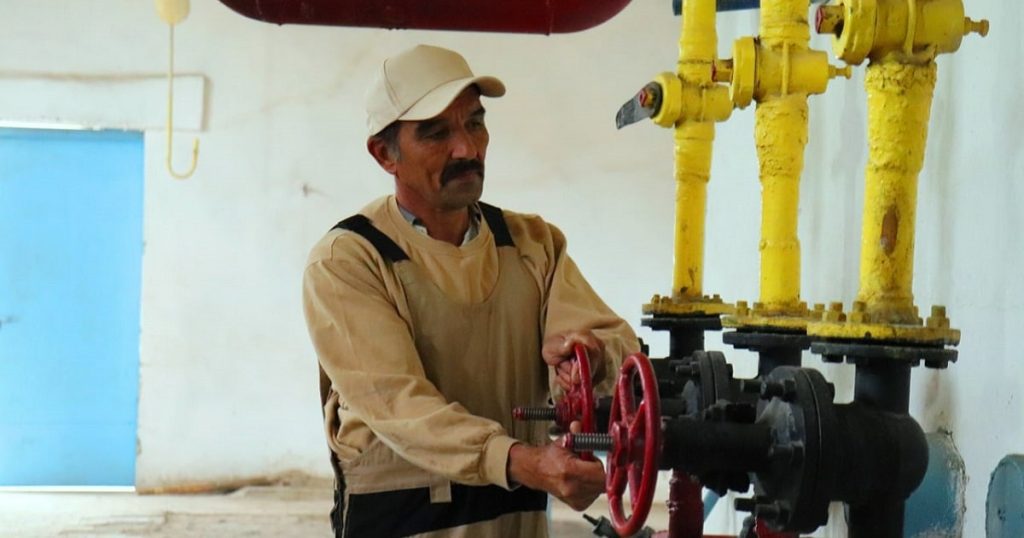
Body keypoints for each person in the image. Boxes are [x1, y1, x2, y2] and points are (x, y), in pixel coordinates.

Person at [302, 44, 639, 538]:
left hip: (516, 523)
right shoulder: (350, 261)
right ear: (384, 154)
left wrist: (588, 358)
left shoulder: (531, 243)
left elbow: (613, 344)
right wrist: (520, 460)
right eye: (436, 133)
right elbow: (399, 405)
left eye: (475, 123)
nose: (466, 149)